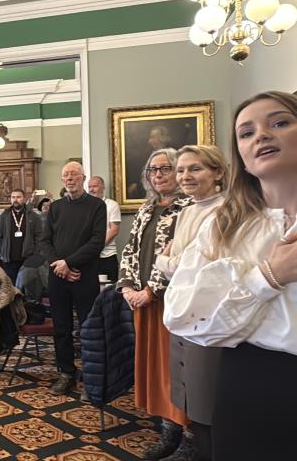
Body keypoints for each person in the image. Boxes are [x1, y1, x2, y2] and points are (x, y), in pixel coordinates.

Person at [164, 92, 297, 461]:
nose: (261, 136)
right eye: (246, 132)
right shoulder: (226, 227)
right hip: (254, 378)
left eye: (280, 122)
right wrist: (268, 277)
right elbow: (184, 314)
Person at [153, 145, 227, 461]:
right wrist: (171, 260)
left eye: (195, 169)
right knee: (187, 387)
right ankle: (186, 441)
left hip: (211, 315)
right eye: (181, 169)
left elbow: (197, 267)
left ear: (218, 172)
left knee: (206, 393)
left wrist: (164, 260)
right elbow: (182, 262)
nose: (185, 176)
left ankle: (200, 449)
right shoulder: (186, 211)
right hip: (183, 307)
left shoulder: (225, 209)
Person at [117, 149, 191, 460]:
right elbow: (130, 249)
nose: (158, 175)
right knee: (154, 366)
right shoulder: (147, 208)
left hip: (172, 301)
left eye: (165, 169)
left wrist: (151, 291)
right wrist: (128, 286)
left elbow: (185, 258)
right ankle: (167, 429)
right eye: (152, 170)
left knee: (177, 370)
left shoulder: (188, 208)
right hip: (142, 301)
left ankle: (187, 437)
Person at [40, 162, 106, 396]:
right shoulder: (55, 208)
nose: (69, 178)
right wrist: (60, 266)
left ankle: (91, 378)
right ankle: (66, 373)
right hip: (58, 277)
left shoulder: (97, 206)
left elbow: (97, 242)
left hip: (84, 277)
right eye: (65, 175)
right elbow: (45, 242)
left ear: (83, 177)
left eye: (73, 174)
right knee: (61, 328)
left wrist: (69, 264)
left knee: (88, 329)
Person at [0, 188, 45, 284]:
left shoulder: (33, 216)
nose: (15, 200)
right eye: (13, 197)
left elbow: (39, 237)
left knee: (27, 286)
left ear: (24, 198)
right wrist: (2, 252)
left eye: (18, 197)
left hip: (27, 260)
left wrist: (34, 253)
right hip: (9, 260)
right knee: (11, 288)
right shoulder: (4, 216)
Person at [87, 176, 121, 283]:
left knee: (109, 293)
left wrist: (97, 247)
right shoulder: (85, 206)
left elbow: (114, 230)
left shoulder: (112, 205)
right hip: (88, 257)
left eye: (95, 186)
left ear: (103, 187)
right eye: (89, 187)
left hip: (107, 256)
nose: (91, 189)